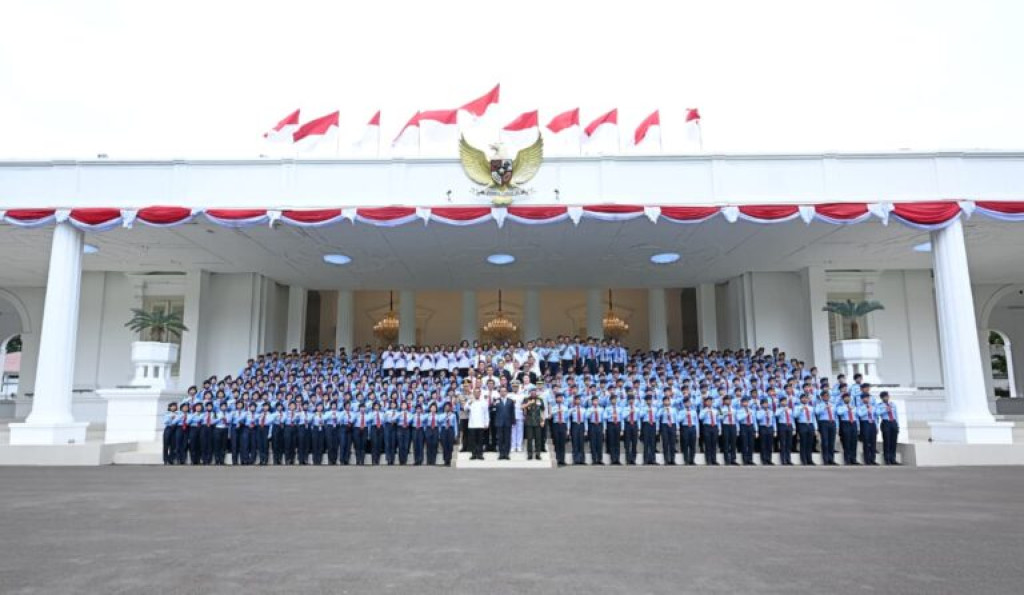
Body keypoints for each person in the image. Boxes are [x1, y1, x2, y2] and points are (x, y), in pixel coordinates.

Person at [522, 388, 546, 461]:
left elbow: (542, 411)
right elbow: (522, 407)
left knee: (538, 439)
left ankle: (538, 454)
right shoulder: (526, 399)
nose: (533, 393)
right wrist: (529, 403)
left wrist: (543, 421)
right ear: (530, 393)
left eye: (534, 392)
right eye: (532, 392)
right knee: (529, 439)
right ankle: (529, 454)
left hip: (538, 422)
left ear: (536, 392)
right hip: (529, 422)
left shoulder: (540, 399)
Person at [815, 392, 838, 465]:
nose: (826, 397)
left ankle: (831, 459)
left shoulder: (833, 404)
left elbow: (835, 415)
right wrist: (824, 408)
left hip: (832, 422)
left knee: (832, 442)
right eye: (825, 396)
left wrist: (837, 426)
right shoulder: (819, 404)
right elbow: (817, 412)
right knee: (825, 442)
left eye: (828, 396)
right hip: (824, 422)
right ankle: (825, 459)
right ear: (821, 397)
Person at [794, 393, 818, 465]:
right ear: (800, 399)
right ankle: (803, 459)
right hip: (802, 424)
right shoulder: (797, 407)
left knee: (810, 443)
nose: (805, 399)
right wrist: (801, 410)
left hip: (810, 425)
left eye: (806, 398)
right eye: (803, 398)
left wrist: (815, 428)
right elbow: (795, 416)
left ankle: (809, 459)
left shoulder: (811, 407)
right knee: (803, 443)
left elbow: (813, 419)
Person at [836, 392, 859, 465]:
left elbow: (857, 417)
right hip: (845, 423)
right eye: (846, 397)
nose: (847, 398)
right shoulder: (841, 407)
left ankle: (853, 459)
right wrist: (847, 408)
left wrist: (858, 427)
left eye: (848, 397)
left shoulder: (854, 407)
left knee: (854, 442)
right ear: (843, 399)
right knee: (847, 442)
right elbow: (839, 413)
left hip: (853, 423)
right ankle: (847, 459)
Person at [467, 388, 490, 460]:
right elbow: (465, 408)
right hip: (472, 424)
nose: (477, 393)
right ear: (473, 393)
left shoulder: (484, 402)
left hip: (480, 424)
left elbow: (486, 413)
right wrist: (470, 401)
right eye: (475, 392)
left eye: (478, 392)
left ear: (480, 393)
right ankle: (473, 454)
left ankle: (480, 454)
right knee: (472, 441)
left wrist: (486, 423)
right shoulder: (470, 401)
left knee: (480, 441)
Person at [494, 388, 516, 460]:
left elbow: (512, 412)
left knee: (507, 438)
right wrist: (493, 405)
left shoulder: (510, 401)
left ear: (507, 392)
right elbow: (493, 411)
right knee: (500, 439)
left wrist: (513, 421)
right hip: (499, 422)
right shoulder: (496, 400)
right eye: (501, 391)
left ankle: (506, 454)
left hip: (508, 422)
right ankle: (501, 453)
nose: (503, 392)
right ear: (499, 392)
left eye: (504, 391)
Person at [856, 393, 879, 465]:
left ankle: (873, 459)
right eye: (865, 398)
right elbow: (860, 414)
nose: (867, 399)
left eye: (868, 398)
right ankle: (867, 460)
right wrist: (867, 410)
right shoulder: (859, 407)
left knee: (873, 442)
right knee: (866, 442)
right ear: (862, 399)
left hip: (872, 423)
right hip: (865, 423)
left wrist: (876, 426)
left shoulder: (873, 406)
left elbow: (876, 416)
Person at [878, 391, 900, 465]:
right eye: (884, 397)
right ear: (881, 398)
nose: (886, 398)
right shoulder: (880, 405)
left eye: (887, 396)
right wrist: (885, 410)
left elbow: (896, 415)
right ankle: (887, 459)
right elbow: (878, 413)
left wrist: (897, 425)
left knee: (893, 441)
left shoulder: (893, 404)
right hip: (886, 422)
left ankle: (893, 459)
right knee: (887, 441)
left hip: (893, 422)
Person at [549, 392, 569, 466]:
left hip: (563, 425)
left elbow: (567, 419)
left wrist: (568, 429)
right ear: (556, 399)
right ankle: (557, 459)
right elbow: (550, 416)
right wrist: (557, 411)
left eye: (561, 397)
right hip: (556, 425)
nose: (560, 399)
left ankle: (562, 460)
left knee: (562, 443)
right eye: (558, 398)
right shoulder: (553, 407)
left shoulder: (565, 407)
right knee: (557, 442)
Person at [698, 396, 720, 465]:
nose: (709, 403)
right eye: (708, 401)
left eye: (710, 401)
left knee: (714, 444)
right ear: (705, 402)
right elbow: (700, 418)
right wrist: (706, 412)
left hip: (714, 427)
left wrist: (719, 428)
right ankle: (708, 460)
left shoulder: (716, 410)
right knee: (708, 444)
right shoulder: (703, 410)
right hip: (707, 427)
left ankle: (714, 460)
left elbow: (720, 418)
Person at [678, 395, 699, 465]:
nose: (687, 404)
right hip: (685, 427)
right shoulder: (681, 412)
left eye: (688, 402)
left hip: (692, 428)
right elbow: (679, 420)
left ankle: (692, 460)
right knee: (685, 444)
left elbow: (696, 422)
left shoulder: (694, 411)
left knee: (692, 445)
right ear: (684, 404)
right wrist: (685, 415)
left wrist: (697, 431)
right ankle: (686, 460)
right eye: (686, 402)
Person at [736, 396, 756, 465]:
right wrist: (746, 414)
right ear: (741, 403)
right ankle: (745, 460)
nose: (745, 403)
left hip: (751, 426)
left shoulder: (751, 410)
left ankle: (750, 459)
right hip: (743, 426)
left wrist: (756, 430)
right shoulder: (739, 411)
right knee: (744, 443)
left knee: (751, 444)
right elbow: (739, 419)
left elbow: (754, 420)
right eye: (744, 402)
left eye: (747, 402)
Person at [657, 396, 677, 465]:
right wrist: (663, 410)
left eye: (667, 401)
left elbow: (676, 418)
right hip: (664, 425)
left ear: (669, 401)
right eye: (665, 401)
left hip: (672, 425)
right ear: (663, 402)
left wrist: (677, 428)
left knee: (672, 443)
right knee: (665, 443)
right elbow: (657, 416)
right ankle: (666, 460)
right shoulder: (661, 409)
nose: (666, 402)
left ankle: (672, 459)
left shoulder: (673, 409)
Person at [775, 396, 794, 466]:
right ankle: (783, 460)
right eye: (783, 401)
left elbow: (792, 419)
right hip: (782, 425)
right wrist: (783, 410)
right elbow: (776, 415)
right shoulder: (779, 409)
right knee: (783, 443)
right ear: (780, 402)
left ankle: (788, 459)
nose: (784, 402)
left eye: (785, 401)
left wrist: (794, 428)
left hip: (789, 426)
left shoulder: (790, 409)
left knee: (789, 444)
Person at [604, 394, 623, 465]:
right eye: (612, 399)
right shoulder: (607, 408)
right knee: (611, 442)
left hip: (617, 424)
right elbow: (605, 417)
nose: (614, 401)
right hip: (611, 424)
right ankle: (612, 459)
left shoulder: (619, 408)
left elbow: (622, 419)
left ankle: (617, 459)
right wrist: (611, 415)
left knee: (617, 442)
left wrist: (622, 429)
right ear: (610, 400)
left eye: (615, 399)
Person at [569, 395, 588, 465]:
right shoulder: (572, 409)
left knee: (581, 443)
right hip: (575, 425)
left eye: (579, 400)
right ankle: (575, 459)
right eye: (576, 400)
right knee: (575, 442)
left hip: (582, 425)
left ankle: (582, 460)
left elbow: (585, 420)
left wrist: (586, 430)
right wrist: (571, 411)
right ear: (574, 401)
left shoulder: (584, 410)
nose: (578, 401)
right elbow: (566, 417)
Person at [640, 394, 659, 465]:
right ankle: (645, 460)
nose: (649, 401)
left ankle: (653, 459)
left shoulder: (655, 408)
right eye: (648, 400)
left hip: (653, 425)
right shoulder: (643, 408)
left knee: (653, 443)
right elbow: (640, 415)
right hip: (646, 424)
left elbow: (656, 418)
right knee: (646, 443)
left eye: (650, 400)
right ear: (645, 401)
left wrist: (657, 428)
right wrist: (646, 411)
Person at [756, 398, 775, 465]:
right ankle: (764, 459)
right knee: (763, 444)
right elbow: (758, 418)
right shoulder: (759, 411)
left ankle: (769, 459)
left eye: (766, 403)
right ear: (761, 405)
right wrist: (764, 413)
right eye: (764, 403)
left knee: (769, 445)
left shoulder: (771, 411)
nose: (765, 405)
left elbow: (773, 421)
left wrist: (774, 429)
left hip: (770, 427)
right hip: (763, 427)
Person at [623, 395, 641, 465]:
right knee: (627, 443)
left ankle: (633, 459)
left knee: (634, 443)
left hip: (635, 424)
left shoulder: (637, 408)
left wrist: (639, 428)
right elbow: (623, 417)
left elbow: (639, 419)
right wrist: (629, 412)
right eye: (630, 400)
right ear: (627, 401)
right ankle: (627, 459)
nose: (631, 401)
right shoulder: (625, 408)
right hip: (628, 424)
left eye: (632, 400)